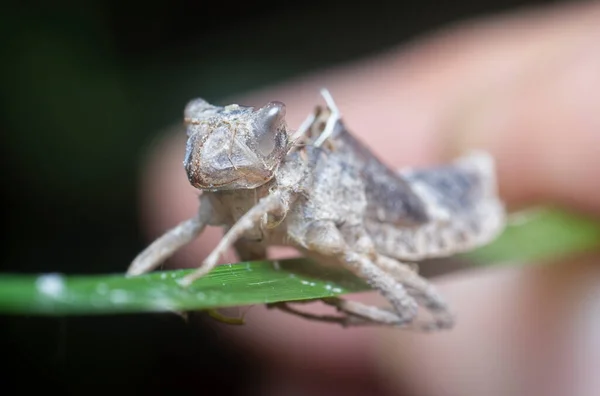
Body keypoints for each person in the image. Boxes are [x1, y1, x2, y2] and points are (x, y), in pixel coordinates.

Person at [137, 2, 600, 395]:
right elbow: (203, 226)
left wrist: (209, 268)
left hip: (415, 217)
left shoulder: (292, 192)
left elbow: (259, 220)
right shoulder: (227, 198)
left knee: (422, 310)